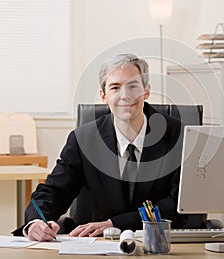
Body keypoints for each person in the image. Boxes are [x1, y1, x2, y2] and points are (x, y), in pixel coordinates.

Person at [12, 54, 188, 241]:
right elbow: (54, 191)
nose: (125, 95)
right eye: (115, 87)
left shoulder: (178, 135)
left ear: (146, 91)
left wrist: (115, 224)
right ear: (104, 96)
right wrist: (36, 222)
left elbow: (180, 204)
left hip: (164, 243)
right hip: (102, 245)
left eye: (133, 86)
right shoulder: (83, 140)